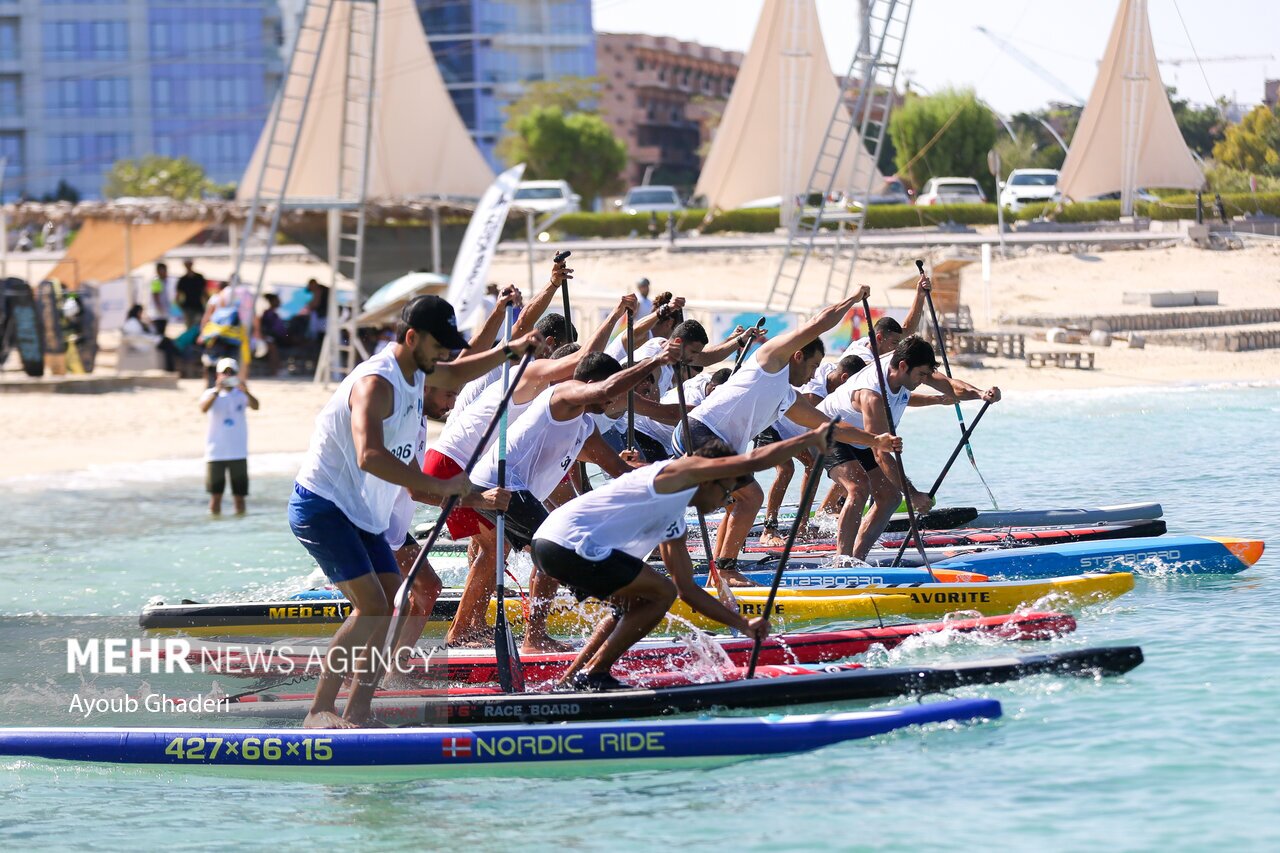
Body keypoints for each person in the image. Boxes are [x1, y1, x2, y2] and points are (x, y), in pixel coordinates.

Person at [288, 294, 541, 728]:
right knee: (372, 606)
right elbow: (370, 456)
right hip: (324, 506)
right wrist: (443, 484)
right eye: (438, 346)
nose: (445, 355)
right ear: (411, 337)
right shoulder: (376, 384)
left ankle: (360, 711)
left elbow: (462, 368)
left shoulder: (416, 373)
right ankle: (319, 710)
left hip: (364, 513)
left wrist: (513, 350)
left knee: (395, 604)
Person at [532, 424, 835, 690]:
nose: (726, 501)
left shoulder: (674, 518)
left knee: (632, 605)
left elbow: (687, 589)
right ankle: (595, 674)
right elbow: (755, 458)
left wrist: (743, 624)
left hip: (553, 545)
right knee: (659, 593)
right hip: (565, 543)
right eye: (726, 491)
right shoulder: (675, 474)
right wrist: (809, 438)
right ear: (709, 478)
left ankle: (572, 679)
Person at [671, 288, 900, 585]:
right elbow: (818, 323)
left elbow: (830, 426)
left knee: (736, 503)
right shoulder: (770, 360)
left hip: (711, 442)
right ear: (798, 355)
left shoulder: (788, 398)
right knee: (752, 496)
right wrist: (853, 300)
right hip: (700, 431)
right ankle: (727, 569)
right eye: (813, 366)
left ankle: (719, 572)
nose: (812, 375)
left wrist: (876, 440)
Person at [467, 343, 677, 653]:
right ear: (590, 386)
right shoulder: (562, 396)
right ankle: (534, 639)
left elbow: (618, 468)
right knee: (551, 546)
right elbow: (607, 387)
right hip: (500, 484)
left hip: (514, 489)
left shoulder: (586, 424)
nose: (611, 400)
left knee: (532, 551)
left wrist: (668, 473)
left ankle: (467, 631)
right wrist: (654, 361)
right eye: (606, 394)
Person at [819, 335, 1000, 560]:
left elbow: (951, 387)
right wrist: (913, 495)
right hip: (828, 431)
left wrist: (981, 394)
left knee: (890, 498)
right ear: (903, 366)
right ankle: (842, 563)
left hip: (863, 438)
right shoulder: (872, 394)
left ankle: (857, 560)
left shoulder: (908, 368)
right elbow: (881, 455)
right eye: (921, 375)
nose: (923, 380)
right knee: (858, 488)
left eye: (926, 375)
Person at [755, 353, 866, 545]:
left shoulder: (835, 381)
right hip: (772, 423)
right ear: (845, 379)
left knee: (816, 465)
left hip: (797, 432)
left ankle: (802, 525)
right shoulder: (816, 387)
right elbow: (817, 418)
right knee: (786, 469)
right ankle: (769, 529)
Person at [199, 358, 259, 516]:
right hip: (215, 453)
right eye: (225, 372)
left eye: (231, 372)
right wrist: (217, 391)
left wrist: (245, 390)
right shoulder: (210, 393)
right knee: (215, 497)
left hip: (238, 452)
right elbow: (203, 409)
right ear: (218, 374)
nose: (228, 375)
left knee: (240, 498)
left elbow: (256, 406)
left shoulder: (241, 394)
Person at [841, 271, 932, 363]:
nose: (897, 347)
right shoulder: (862, 358)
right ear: (879, 338)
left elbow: (908, 329)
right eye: (894, 343)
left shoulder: (873, 341)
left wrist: (920, 295)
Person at [121, 304, 179, 372]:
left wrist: (149, 323)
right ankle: (173, 365)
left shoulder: (137, 322)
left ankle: (172, 364)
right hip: (145, 344)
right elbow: (137, 336)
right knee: (168, 343)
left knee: (168, 343)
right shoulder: (132, 322)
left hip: (149, 341)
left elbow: (151, 331)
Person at [260, 292, 290, 376]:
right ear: (272, 301)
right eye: (277, 300)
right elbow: (264, 328)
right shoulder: (267, 314)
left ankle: (278, 369)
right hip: (269, 338)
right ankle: (276, 370)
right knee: (273, 347)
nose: (279, 302)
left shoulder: (272, 314)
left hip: (277, 338)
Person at [175, 260, 208, 331]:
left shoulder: (199, 277)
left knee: (199, 325)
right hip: (188, 307)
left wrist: (207, 303)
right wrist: (180, 306)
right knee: (189, 327)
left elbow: (204, 292)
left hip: (198, 306)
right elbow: (178, 294)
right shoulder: (183, 279)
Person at [149, 263, 171, 337]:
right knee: (159, 333)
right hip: (158, 314)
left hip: (162, 313)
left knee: (161, 332)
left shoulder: (164, 281)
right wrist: (159, 307)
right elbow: (155, 295)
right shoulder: (157, 281)